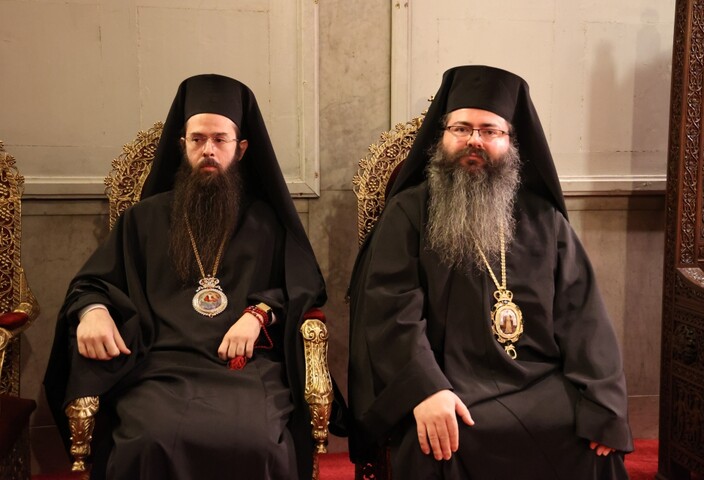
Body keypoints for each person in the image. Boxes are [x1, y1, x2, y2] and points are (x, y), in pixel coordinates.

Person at [347, 65, 633, 479]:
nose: (474, 141)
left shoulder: (545, 220)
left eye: (489, 130)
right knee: (435, 447)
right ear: (442, 136)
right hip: (447, 383)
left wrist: (604, 403)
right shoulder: (409, 212)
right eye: (461, 128)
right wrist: (425, 390)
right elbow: (390, 310)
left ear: (510, 140)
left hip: (539, 383)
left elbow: (585, 318)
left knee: (593, 446)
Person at [44, 74, 327, 480]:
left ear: (241, 148)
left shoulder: (267, 222)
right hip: (160, 367)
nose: (208, 150)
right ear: (183, 145)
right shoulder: (144, 218)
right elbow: (93, 282)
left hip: (245, 369)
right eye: (197, 139)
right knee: (147, 440)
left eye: (220, 139)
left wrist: (258, 314)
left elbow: (304, 285)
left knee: (259, 442)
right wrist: (93, 311)